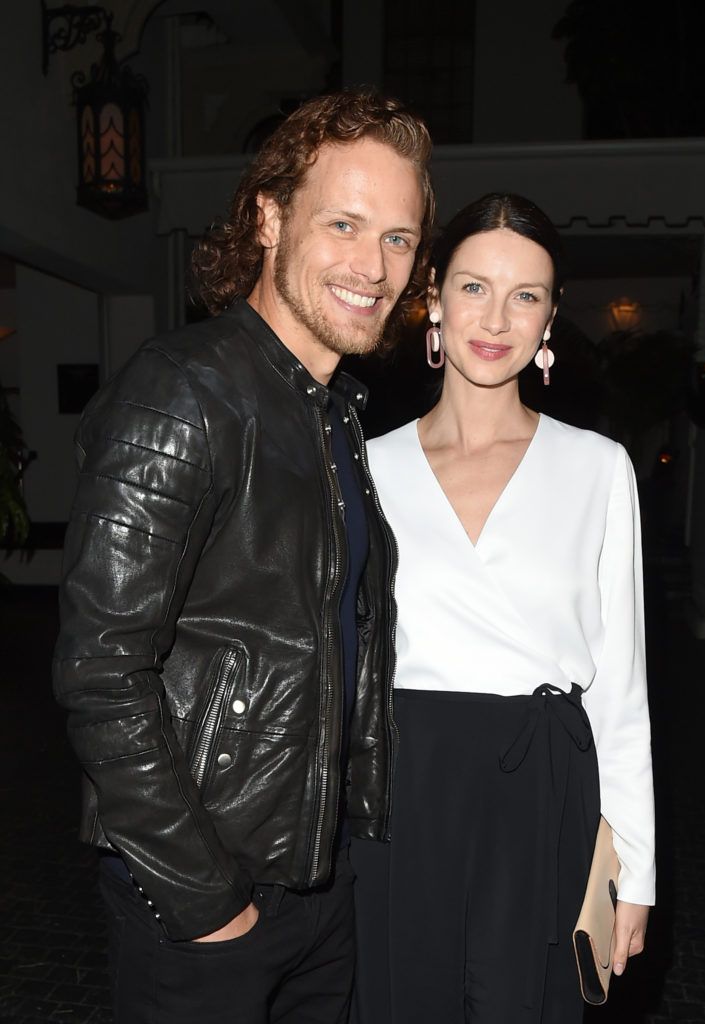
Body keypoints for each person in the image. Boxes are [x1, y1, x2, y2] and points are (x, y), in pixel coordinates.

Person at [52, 90, 434, 1024]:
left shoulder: (335, 411)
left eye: (398, 237)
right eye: (344, 223)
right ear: (268, 218)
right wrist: (206, 899)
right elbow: (100, 672)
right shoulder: (183, 391)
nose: (375, 265)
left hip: (316, 882)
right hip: (207, 901)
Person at [350, 193, 655, 1024]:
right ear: (434, 301)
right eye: (474, 287)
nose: (497, 317)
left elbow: (620, 690)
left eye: (525, 295)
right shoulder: (365, 466)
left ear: (549, 317)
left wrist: (635, 867)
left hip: (543, 791)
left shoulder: (596, 468)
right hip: (403, 784)